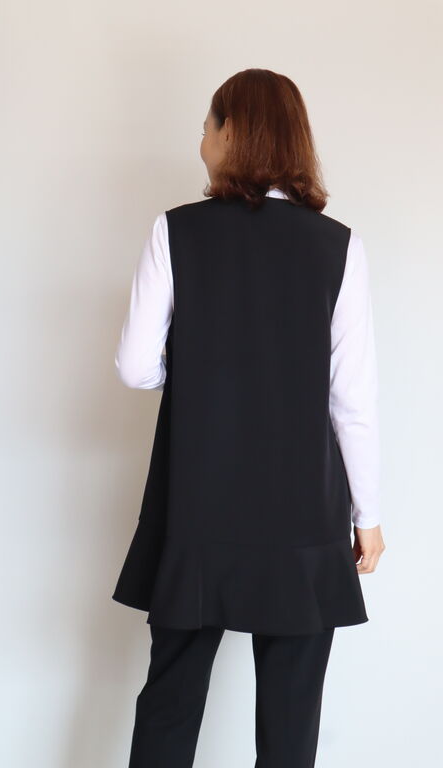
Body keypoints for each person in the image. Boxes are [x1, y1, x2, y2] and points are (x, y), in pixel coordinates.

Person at [112, 68, 386, 768]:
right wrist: (368, 516)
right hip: (302, 514)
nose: (201, 139)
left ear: (233, 132)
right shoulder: (339, 246)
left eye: (208, 125)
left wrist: (200, 380)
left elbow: (136, 367)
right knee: (291, 723)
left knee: (170, 703)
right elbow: (351, 399)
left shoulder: (175, 231)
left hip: (197, 508)